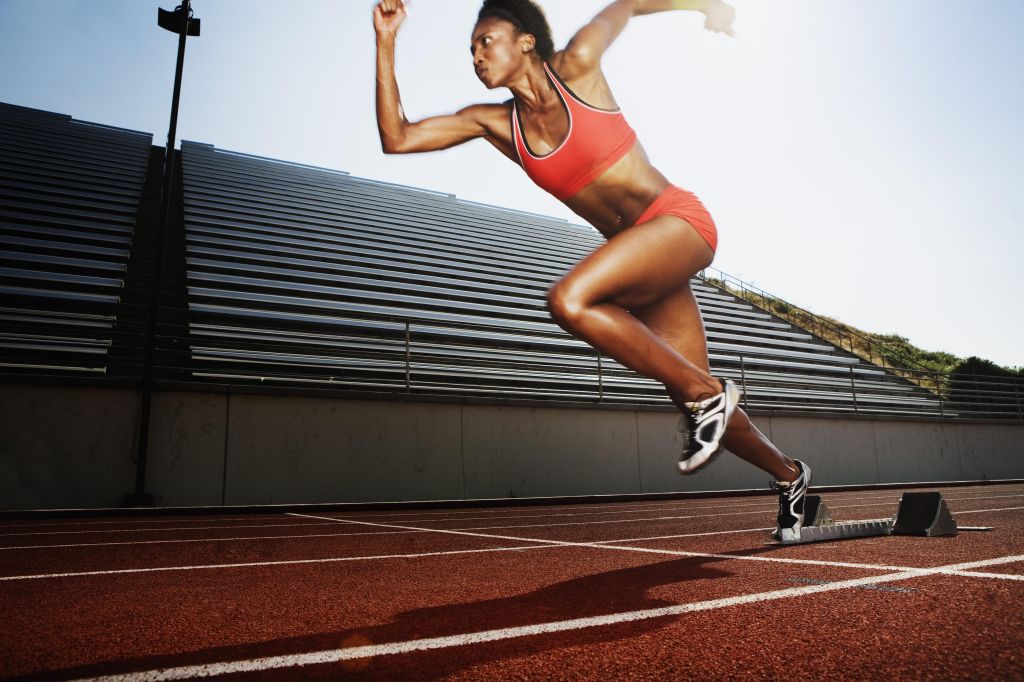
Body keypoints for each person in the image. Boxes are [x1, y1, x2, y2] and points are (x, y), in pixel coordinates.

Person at [373, 0, 811, 541]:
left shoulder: (578, 64)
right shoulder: (495, 124)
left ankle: (712, 395)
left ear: (526, 40)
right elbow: (398, 138)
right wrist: (387, 40)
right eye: (471, 50)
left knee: (570, 301)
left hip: (678, 222)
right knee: (693, 398)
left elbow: (628, 4)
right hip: (640, 255)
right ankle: (791, 476)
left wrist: (708, 6)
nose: (476, 57)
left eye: (485, 41)